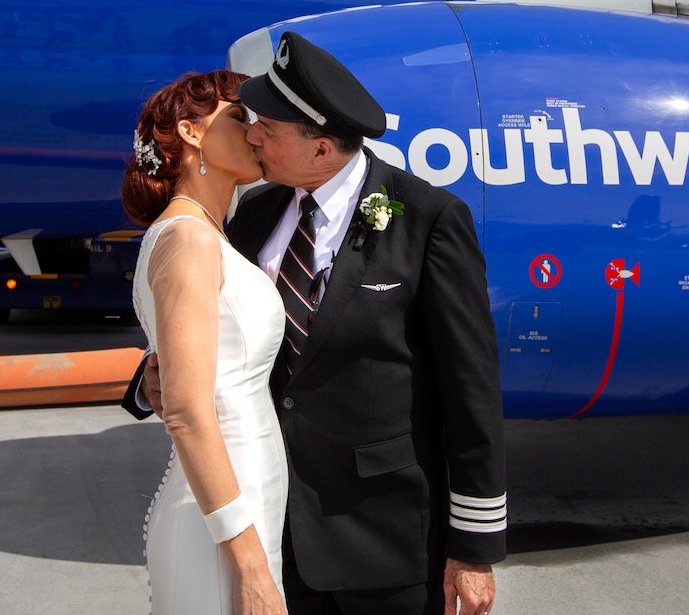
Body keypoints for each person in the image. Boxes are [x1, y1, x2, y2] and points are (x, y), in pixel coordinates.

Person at [128, 33, 507, 615]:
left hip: (385, 544)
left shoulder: (427, 219)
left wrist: (475, 547)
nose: (254, 134)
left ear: (322, 148)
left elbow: (471, 389)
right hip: (272, 529)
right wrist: (157, 373)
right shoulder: (251, 216)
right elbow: (216, 328)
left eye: (269, 130)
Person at [122, 70, 288, 615]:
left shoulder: (205, 235)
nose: (257, 132)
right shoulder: (188, 240)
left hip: (244, 503)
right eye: (240, 118)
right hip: (219, 521)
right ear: (192, 134)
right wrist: (251, 567)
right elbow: (189, 413)